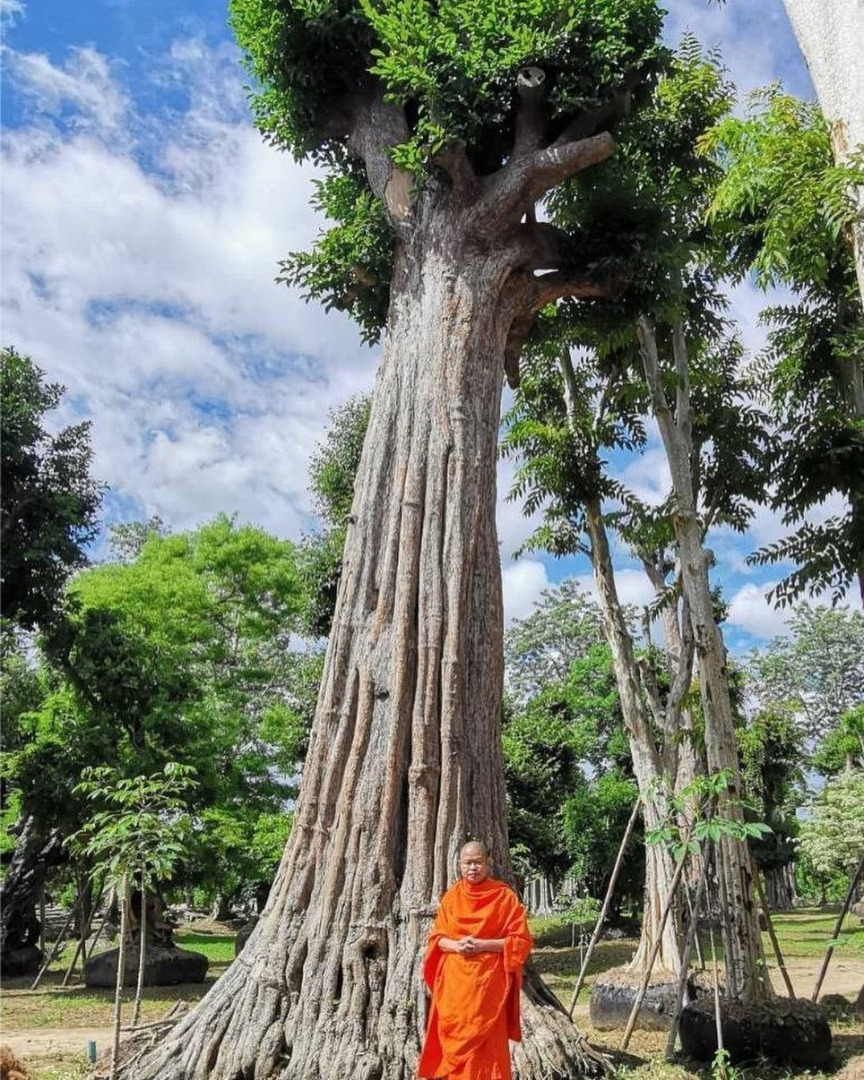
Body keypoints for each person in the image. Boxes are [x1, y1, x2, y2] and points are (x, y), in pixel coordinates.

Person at [418, 840, 533, 1080]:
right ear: (459, 865)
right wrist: (458, 946)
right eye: (467, 863)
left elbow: (520, 941)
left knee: (488, 1046)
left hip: (488, 987)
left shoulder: (503, 896)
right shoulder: (452, 897)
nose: (473, 868)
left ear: (487, 863)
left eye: (478, 862)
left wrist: (482, 944)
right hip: (455, 987)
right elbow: (438, 939)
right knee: (454, 1044)